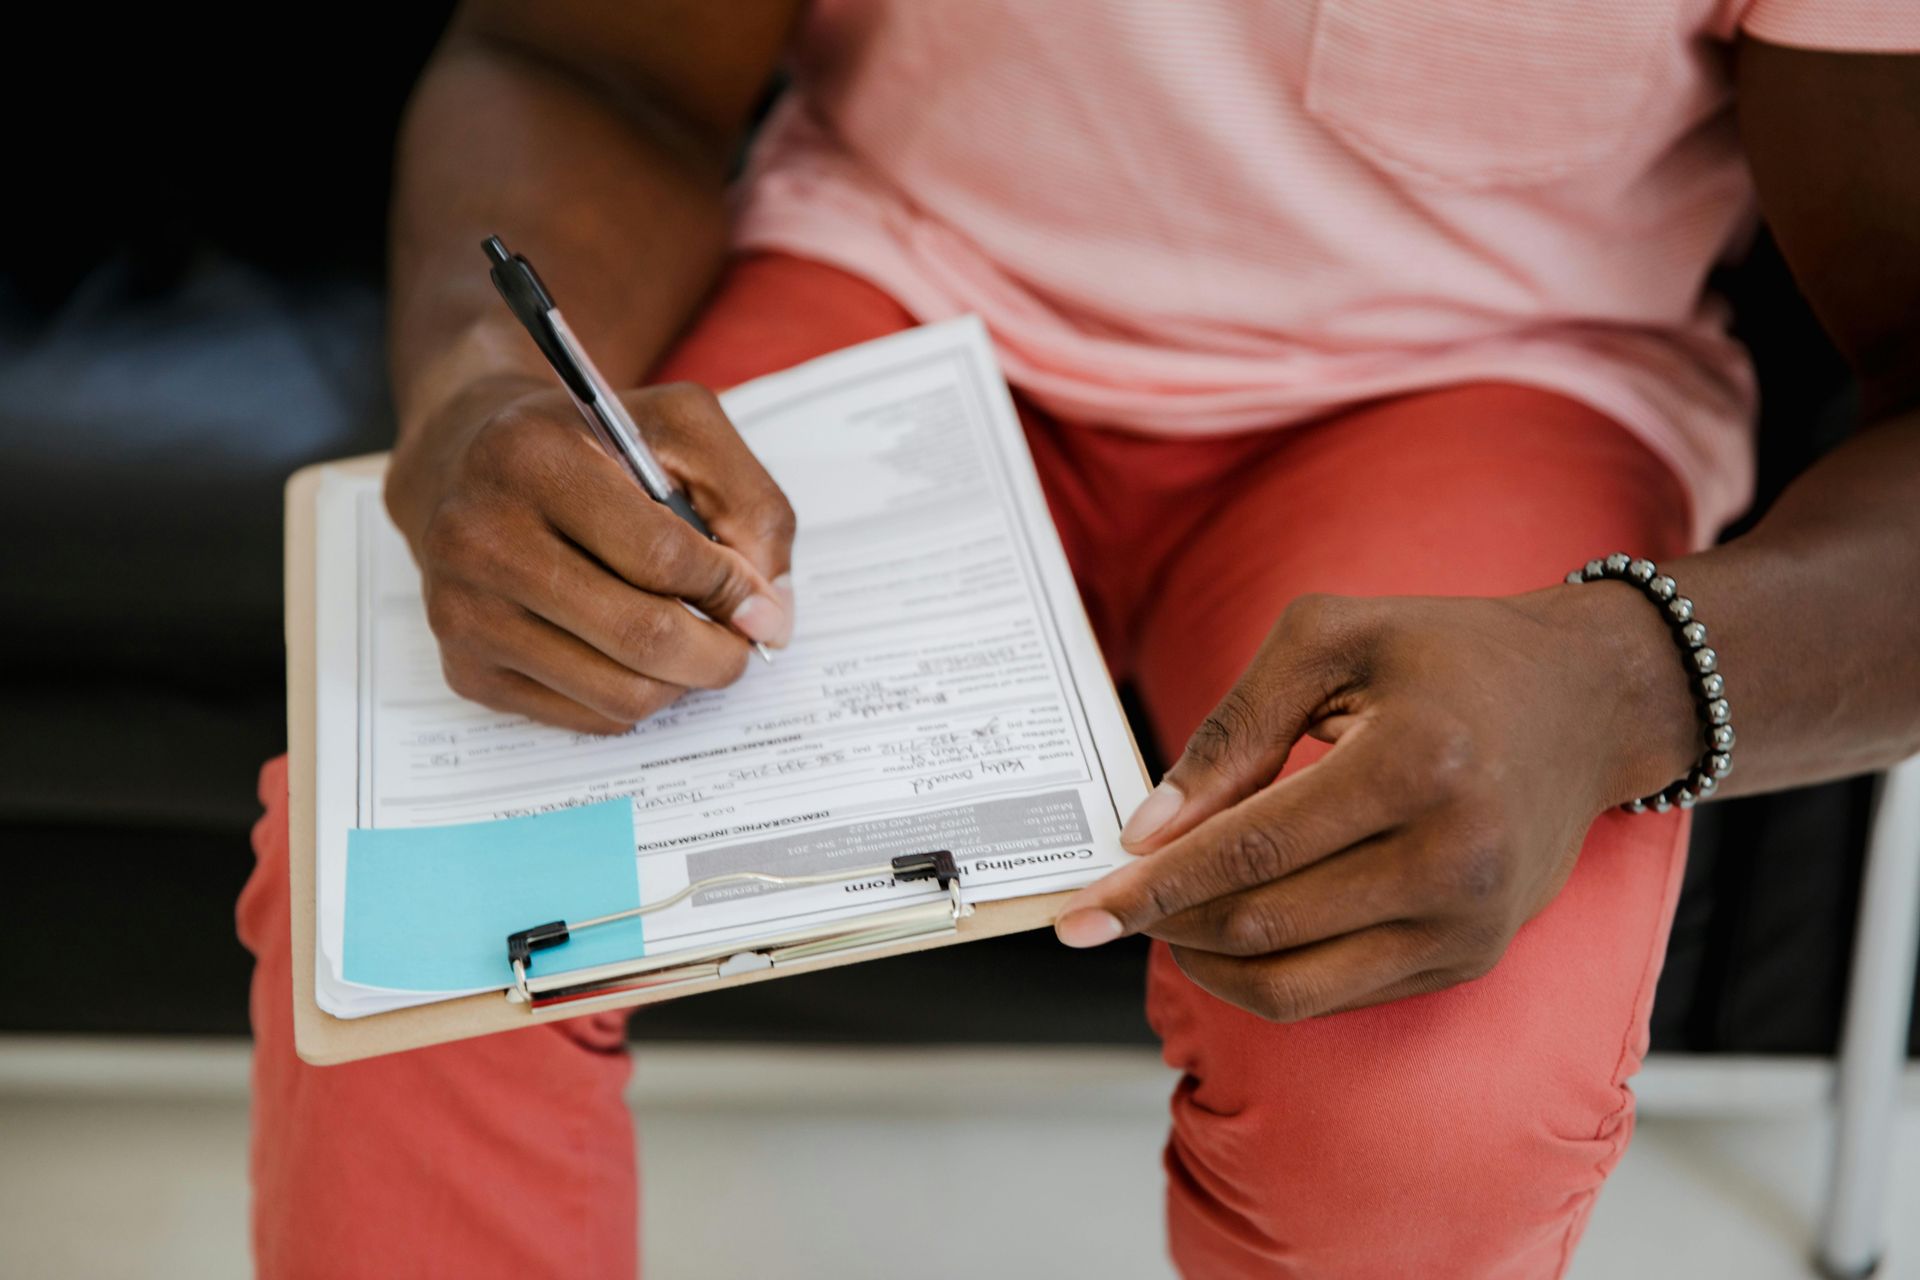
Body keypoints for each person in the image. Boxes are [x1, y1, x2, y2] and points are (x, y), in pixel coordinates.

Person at [239, 2, 1920, 1275]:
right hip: (898, 295)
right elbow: (580, 58)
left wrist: (1623, 684)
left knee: (1434, 1106)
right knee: (408, 927)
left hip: (1486, 371)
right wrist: (481, 390)